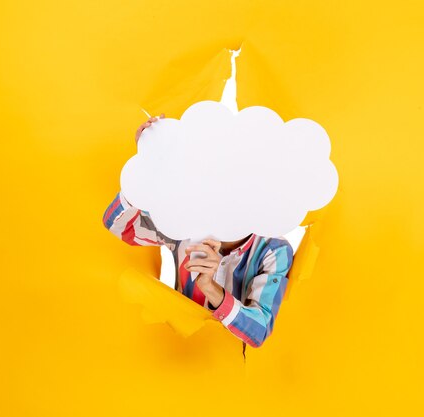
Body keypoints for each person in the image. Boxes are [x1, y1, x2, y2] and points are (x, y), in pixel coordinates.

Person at [102, 114, 294, 358]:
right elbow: (118, 225)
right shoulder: (182, 227)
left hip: (229, 368)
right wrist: (144, 171)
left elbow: (259, 330)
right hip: (174, 354)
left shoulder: (273, 251)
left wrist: (210, 288)